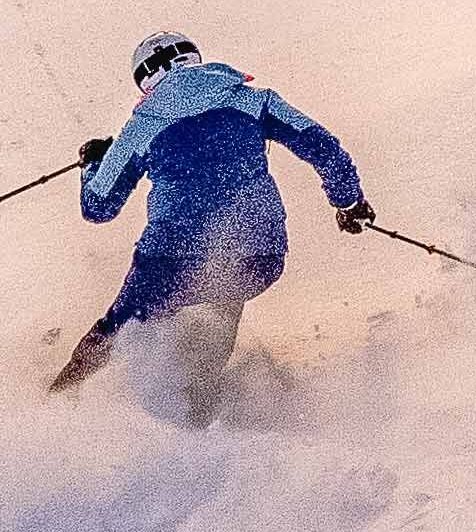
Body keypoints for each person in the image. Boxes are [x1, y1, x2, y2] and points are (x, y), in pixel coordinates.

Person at [47, 31, 377, 415]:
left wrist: (93, 163)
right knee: (222, 295)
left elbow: (98, 206)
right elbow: (324, 147)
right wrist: (349, 203)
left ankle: (53, 408)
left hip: (169, 261)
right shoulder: (254, 100)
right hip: (259, 255)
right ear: (195, 59)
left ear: (145, 82)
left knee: (121, 327)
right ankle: (205, 403)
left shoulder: (141, 128)